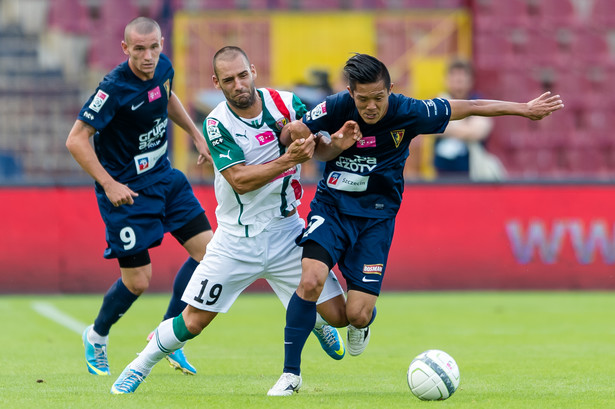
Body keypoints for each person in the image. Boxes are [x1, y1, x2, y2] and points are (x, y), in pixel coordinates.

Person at [267, 53, 564, 396]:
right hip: (331, 208)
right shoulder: (334, 107)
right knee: (310, 280)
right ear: (351, 93)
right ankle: (291, 375)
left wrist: (523, 109)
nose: (371, 107)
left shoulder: (409, 111)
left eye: (379, 98)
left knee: (354, 315)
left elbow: (468, 105)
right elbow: (299, 140)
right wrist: (324, 141)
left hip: (376, 218)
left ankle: (359, 323)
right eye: (363, 99)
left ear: (390, 90)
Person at [109, 46, 361, 395]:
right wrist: (289, 160)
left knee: (341, 316)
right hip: (236, 241)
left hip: (288, 232)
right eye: (228, 80)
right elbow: (240, 180)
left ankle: (315, 322)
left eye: (243, 75)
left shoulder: (288, 103)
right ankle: (139, 366)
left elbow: (318, 148)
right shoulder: (216, 123)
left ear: (253, 70)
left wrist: (338, 144)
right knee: (193, 322)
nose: (239, 84)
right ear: (217, 82)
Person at [66, 17, 214, 377]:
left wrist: (195, 134)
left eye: (154, 47)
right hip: (126, 193)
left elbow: (166, 96)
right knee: (138, 281)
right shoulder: (113, 88)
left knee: (209, 255)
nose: (148, 56)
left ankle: (167, 338)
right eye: (139, 49)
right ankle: (97, 336)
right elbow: (75, 139)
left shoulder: (163, 67)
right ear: (125, 49)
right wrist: (108, 183)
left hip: (164, 179)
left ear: (161, 44)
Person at [433, 59, 496, 179]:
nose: (458, 84)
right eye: (454, 78)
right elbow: (433, 126)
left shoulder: (479, 102)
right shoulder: (438, 102)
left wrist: (448, 127)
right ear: (446, 80)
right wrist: (466, 127)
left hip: (471, 173)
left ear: (470, 81)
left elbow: (479, 131)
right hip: (441, 174)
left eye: (461, 79)